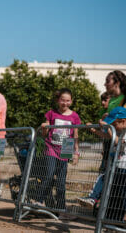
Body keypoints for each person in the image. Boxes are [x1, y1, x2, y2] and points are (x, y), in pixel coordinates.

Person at [35, 88, 81, 219]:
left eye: (68, 100)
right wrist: (44, 128)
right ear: (58, 100)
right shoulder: (51, 113)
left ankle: (61, 209)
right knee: (49, 175)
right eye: (62, 100)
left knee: (61, 181)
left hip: (66, 148)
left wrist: (76, 152)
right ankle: (39, 200)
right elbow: (45, 134)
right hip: (51, 147)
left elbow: (75, 135)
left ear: (71, 101)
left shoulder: (74, 116)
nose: (65, 103)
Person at [78, 92, 111, 208]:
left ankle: (94, 198)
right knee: (103, 175)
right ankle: (96, 201)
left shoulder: (110, 115)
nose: (102, 103)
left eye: (105, 100)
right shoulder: (103, 114)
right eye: (101, 100)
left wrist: (94, 129)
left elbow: (107, 134)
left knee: (104, 176)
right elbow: (105, 136)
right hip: (106, 150)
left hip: (111, 151)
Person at [101, 107, 126, 223]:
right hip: (119, 167)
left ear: (123, 121)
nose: (114, 127)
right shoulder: (122, 131)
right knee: (116, 195)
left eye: (115, 124)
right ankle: (113, 221)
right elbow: (108, 136)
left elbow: (118, 142)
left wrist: (109, 129)